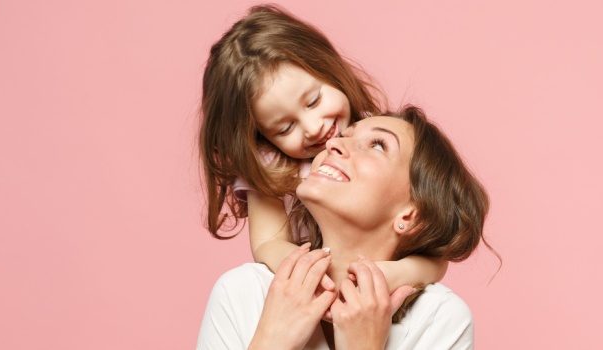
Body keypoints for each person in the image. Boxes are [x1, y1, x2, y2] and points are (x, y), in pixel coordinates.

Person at [198, 106, 493, 349]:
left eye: (378, 145)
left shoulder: (439, 320)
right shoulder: (242, 291)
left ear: (411, 215)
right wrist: (271, 342)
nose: (332, 143)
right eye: (343, 136)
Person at [200, 4, 445, 295]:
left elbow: (436, 257)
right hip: (310, 297)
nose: (314, 127)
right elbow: (267, 243)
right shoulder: (270, 168)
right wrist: (313, 275)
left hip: (377, 295)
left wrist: (396, 272)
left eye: (313, 101)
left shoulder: (373, 139)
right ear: (261, 137)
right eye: (285, 128)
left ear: (328, 70)